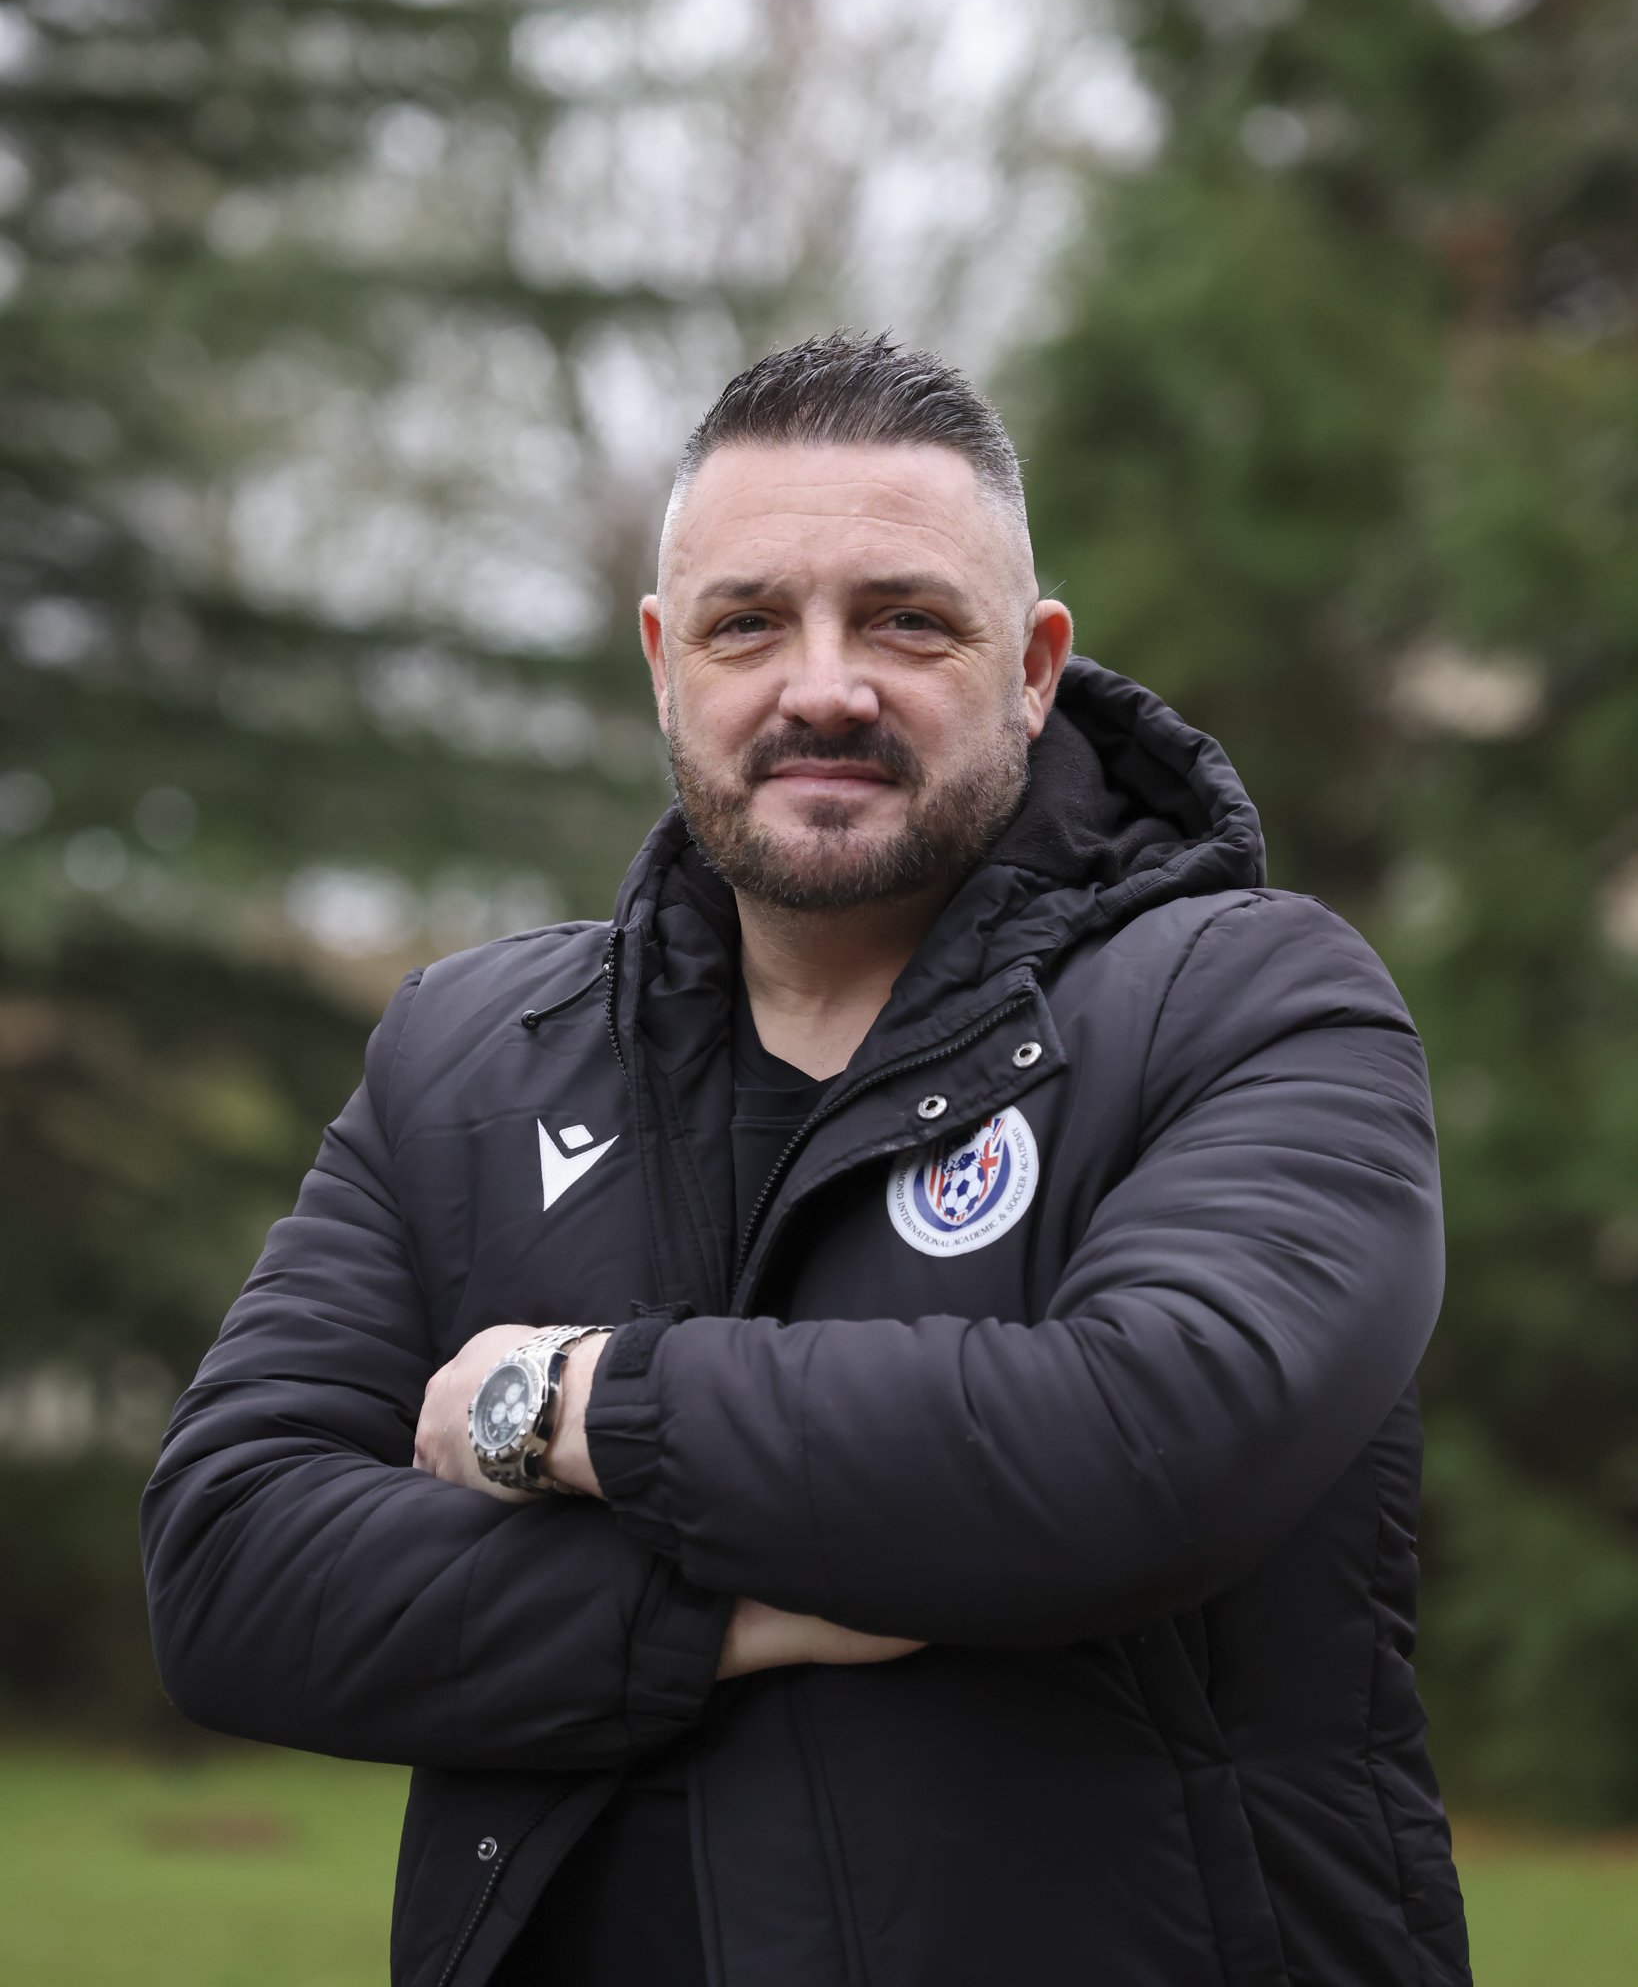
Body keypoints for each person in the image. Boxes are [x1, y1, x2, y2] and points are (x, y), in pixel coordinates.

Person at [141, 332, 1471, 1987]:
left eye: (907, 620)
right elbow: (229, 1565)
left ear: (1037, 663)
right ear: (662, 662)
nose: (821, 684)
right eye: (748, 621)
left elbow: (1138, 1442)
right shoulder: (467, 1055)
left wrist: (566, 1405)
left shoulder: (1252, 1003)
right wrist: (728, 1618)